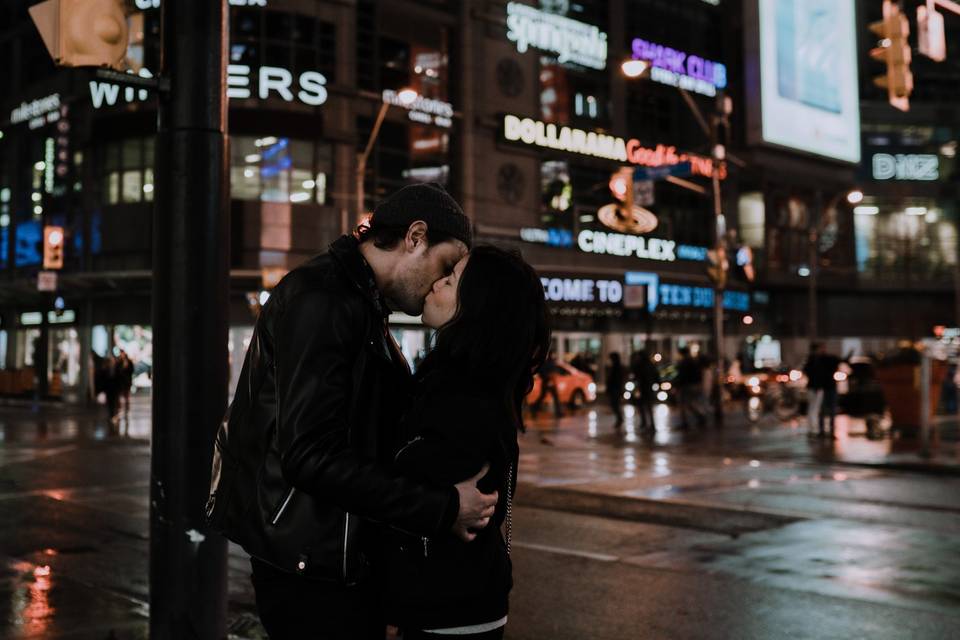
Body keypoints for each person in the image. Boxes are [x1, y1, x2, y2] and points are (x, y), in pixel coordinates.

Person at [205, 183, 498, 639]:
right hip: (310, 569)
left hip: (327, 558)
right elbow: (309, 455)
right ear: (415, 237)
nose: (440, 284)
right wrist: (440, 508)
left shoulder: (361, 303)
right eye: (444, 267)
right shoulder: (324, 299)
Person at [381, 245, 550, 640]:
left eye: (451, 279)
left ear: (476, 309)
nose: (436, 282)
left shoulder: (464, 398)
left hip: (449, 612)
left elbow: (405, 492)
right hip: (459, 603)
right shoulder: (467, 383)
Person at [804, 343, 842, 439]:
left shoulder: (821, 359)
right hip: (819, 387)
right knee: (818, 409)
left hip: (822, 387)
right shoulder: (815, 360)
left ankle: (821, 430)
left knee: (822, 409)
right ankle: (817, 429)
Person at [676, 347, 706, 429]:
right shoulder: (693, 361)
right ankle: (700, 416)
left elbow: (682, 375)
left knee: (684, 403)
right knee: (690, 403)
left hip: (686, 385)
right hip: (693, 384)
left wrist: (678, 384)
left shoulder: (684, 362)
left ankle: (686, 422)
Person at [630, 349, 659, 432]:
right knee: (648, 406)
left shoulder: (639, 365)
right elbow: (656, 375)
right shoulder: (650, 364)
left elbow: (635, 376)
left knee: (642, 405)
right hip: (648, 387)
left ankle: (645, 423)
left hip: (642, 387)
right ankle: (650, 424)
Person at [530, 351, 563, 419]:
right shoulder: (548, 363)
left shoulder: (550, 362)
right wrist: (547, 378)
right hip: (547, 381)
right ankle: (534, 408)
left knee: (546, 396)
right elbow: (543, 372)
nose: (554, 356)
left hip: (549, 381)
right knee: (547, 396)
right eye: (553, 354)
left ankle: (534, 408)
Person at [606, 352, 625, 430]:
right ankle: (619, 419)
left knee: (615, 405)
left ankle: (620, 419)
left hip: (615, 389)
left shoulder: (616, 368)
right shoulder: (615, 367)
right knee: (615, 405)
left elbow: (616, 380)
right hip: (615, 389)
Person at [116, 350, 135, 421]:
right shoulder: (119, 362)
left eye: (122, 353)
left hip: (127, 382)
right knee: (120, 396)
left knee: (126, 395)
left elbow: (132, 370)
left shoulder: (129, 362)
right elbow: (117, 371)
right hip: (121, 382)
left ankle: (126, 408)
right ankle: (121, 408)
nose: (121, 355)